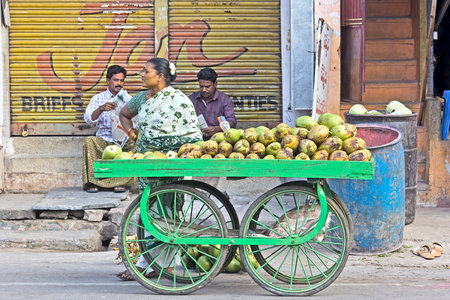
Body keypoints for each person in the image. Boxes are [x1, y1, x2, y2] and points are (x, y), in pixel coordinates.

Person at [116, 57, 202, 281]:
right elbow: (123, 115)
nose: (141, 75)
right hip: (148, 161)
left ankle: (161, 264)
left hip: (175, 162)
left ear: (160, 77)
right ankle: (147, 263)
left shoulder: (178, 100)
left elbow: (191, 135)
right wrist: (132, 134)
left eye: (145, 71)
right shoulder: (141, 99)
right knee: (149, 211)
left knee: (172, 211)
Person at [82, 65, 136, 193]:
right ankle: (93, 182)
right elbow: (89, 119)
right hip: (104, 141)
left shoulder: (130, 100)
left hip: (123, 142)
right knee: (90, 141)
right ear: (108, 81)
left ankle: (121, 182)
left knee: (136, 144)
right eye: (116, 80)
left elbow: (137, 123)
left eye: (121, 81)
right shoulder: (98, 99)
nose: (119, 84)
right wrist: (101, 109)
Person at [188, 68, 237, 140]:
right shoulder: (192, 99)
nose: (204, 90)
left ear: (215, 84)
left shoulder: (224, 100)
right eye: (201, 86)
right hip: (196, 139)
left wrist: (217, 129)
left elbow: (232, 123)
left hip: (219, 140)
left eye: (207, 87)